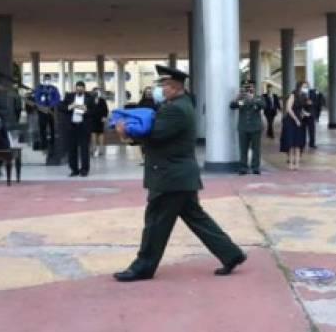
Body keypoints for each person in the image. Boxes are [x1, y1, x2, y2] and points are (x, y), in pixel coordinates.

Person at [113, 65, 246, 282]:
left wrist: (126, 132)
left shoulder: (175, 109)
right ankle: (231, 254)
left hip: (170, 177)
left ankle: (143, 267)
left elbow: (156, 135)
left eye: (163, 86)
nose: (160, 90)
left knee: (156, 222)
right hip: (180, 176)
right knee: (197, 218)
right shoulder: (179, 104)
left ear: (174, 87)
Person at [230, 80, 265, 175]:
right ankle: (243, 167)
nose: (249, 89)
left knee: (256, 149)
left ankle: (255, 167)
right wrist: (237, 97)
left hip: (255, 128)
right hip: (243, 128)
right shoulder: (241, 98)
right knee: (243, 149)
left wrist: (252, 99)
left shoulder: (258, 98)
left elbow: (263, 105)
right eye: (247, 87)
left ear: (254, 88)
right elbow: (232, 106)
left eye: (251, 87)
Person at [62, 81, 95, 177]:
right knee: (72, 149)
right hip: (72, 126)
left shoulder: (89, 98)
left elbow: (94, 112)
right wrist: (70, 106)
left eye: (81, 88)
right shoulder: (69, 96)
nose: (79, 89)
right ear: (75, 88)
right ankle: (74, 169)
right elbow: (61, 107)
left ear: (84, 89)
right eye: (78, 88)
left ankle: (84, 170)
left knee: (84, 149)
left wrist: (86, 110)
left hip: (84, 126)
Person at [281, 82, 308, 170]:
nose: (305, 88)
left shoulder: (304, 96)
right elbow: (288, 108)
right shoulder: (293, 95)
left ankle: (297, 163)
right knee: (291, 143)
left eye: (306, 87)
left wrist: (305, 113)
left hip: (299, 121)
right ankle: (290, 163)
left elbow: (301, 109)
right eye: (304, 86)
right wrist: (296, 119)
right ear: (299, 86)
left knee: (298, 143)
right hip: (290, 121)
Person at [33, 75, 60, 150]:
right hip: (42, 110)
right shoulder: (39, 88)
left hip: (51, 110)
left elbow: (57, 98)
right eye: (46, 79)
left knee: (52, 127)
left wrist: (51, 105)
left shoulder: (54, 88)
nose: (47, 81)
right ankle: (43, 143)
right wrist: (42, 106)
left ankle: (53, 143)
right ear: (43, 80)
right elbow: (36, 98)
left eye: (48, 79)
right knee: (42, 127)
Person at [301, 81, 323, 149]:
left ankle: (312, 143)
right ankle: (302, 143)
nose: (305, 86)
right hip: (302, 114)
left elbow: (317, 101)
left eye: (306, 85)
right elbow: (298, 102)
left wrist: (312, 103)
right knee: (302, 130)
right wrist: (305, 103)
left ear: (308, 85)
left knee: (312, 130)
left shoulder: (313, 92)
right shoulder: (300, 93)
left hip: (311, 114)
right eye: (303, 85)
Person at [90, 86, 110, 157]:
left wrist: (105, 117)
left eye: (97, 92)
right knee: (93, 133)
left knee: (101, 133)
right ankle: (94, 148)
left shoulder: (102, 100)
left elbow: (106, 110)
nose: (96, 93)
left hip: (100, 119)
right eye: (95, 91)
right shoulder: (90, 100)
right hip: (92, 119)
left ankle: (101, 148)